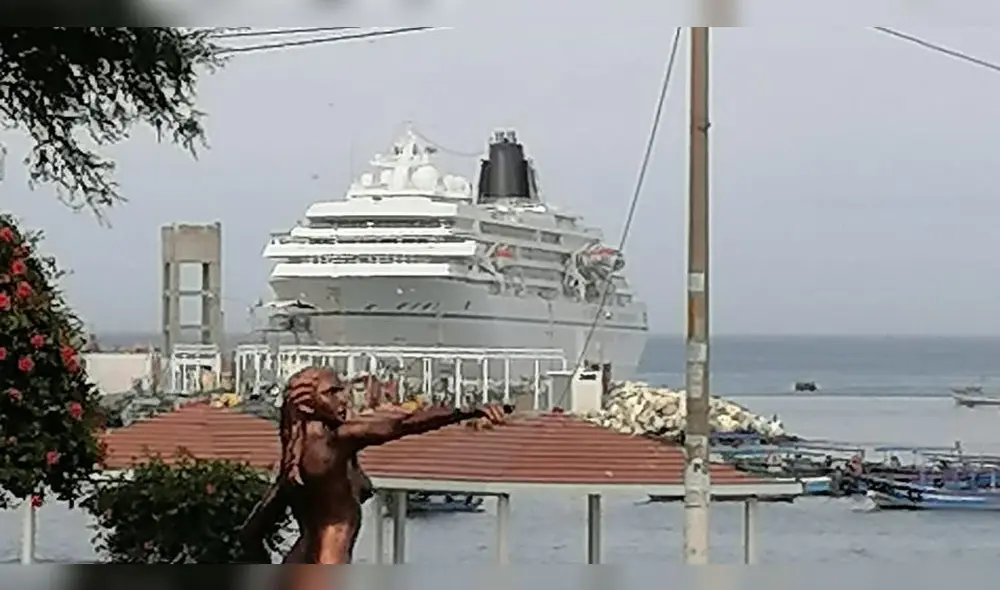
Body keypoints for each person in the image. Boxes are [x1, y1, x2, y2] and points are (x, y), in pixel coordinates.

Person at [240, 366, 506, 565]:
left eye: (342, 390)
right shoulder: (338, 442)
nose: (343, 399)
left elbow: (251, 534)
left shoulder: (294, 461)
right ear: (307, 405)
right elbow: (402, 424)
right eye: (332, 393)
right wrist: (469, 411)